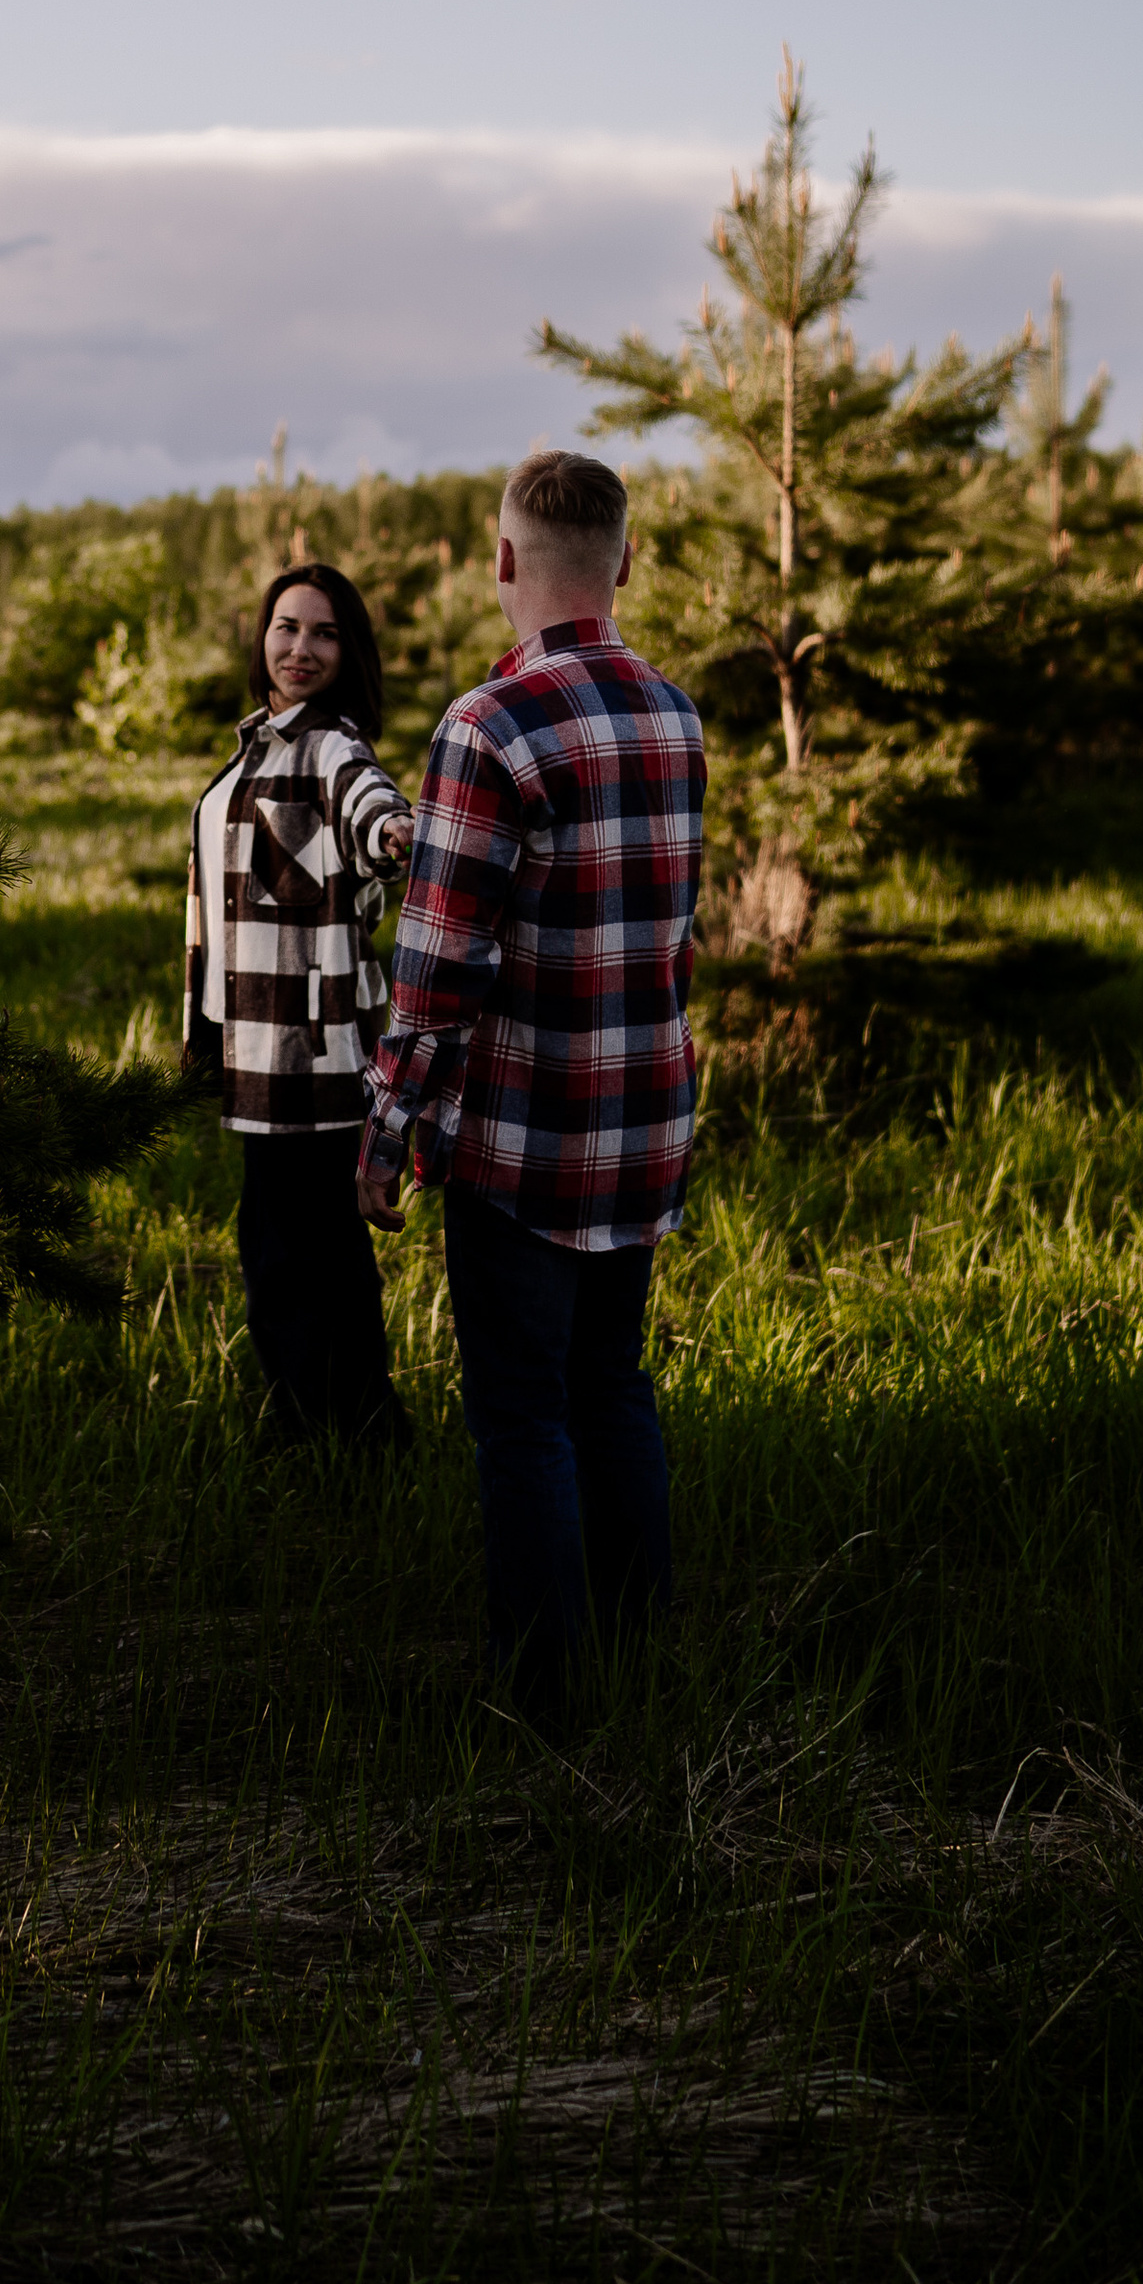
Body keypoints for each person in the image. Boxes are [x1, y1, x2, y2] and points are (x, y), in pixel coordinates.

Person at [358, 451, 705, 1715]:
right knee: (610, 1384)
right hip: (641, 1122)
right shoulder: (676, 715)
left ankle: (543, 1694)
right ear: (624, 559)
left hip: (520, 1140)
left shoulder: (484, 728)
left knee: (519, 1415)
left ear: (501, 561)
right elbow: (671, 929)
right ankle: (638, 1650)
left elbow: (438, 965)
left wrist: (385, 1139)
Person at [185, 561, 417, 1455]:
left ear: (346, 650)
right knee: (288, 1259)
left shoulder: (330, 746)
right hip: (253, 1054)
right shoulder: (258, 746)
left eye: (323, 632)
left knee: (305, 1265)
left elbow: (370, 808)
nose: (300, 648)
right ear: (263, 639)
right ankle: (326, 1431)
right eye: (286, 627)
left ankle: (349, 1438)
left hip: (312, 1061)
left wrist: (394, 835)